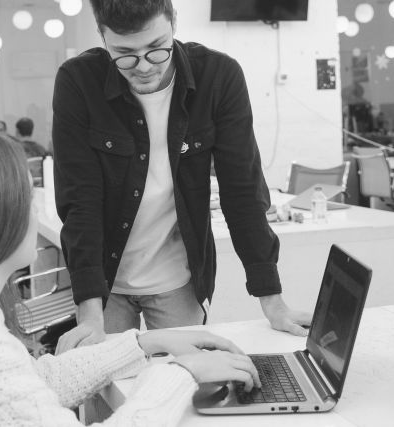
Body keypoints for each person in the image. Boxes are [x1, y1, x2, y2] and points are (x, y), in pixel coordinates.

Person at [0, 131, 260, 426]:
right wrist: (181, 373)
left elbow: (33, 385)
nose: (36, 209)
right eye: (28, 197)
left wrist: (147, 343)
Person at [52, 0, 311, 353]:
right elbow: (79, 200)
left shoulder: (217, 77)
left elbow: (243, 190)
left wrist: (272, 298)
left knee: (187, 390)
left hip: (179, 279)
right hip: (104, 283)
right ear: (102, 36)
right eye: (125, 54)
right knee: (105, 394)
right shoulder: (78, 82)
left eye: (156, 49)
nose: (143, 67)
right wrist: (89, 312)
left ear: (173, 21)